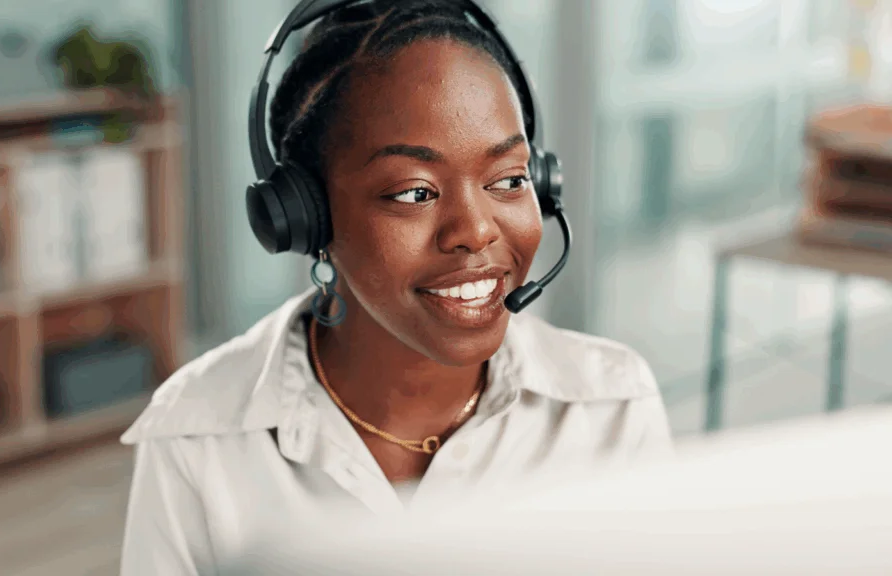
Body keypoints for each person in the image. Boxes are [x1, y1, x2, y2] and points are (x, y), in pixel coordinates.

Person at [119, 1, 673, 574]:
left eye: (508, 179)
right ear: (307, 217)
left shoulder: (611, 406)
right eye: (413, 192)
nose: (476, 231)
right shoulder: (195, 435)